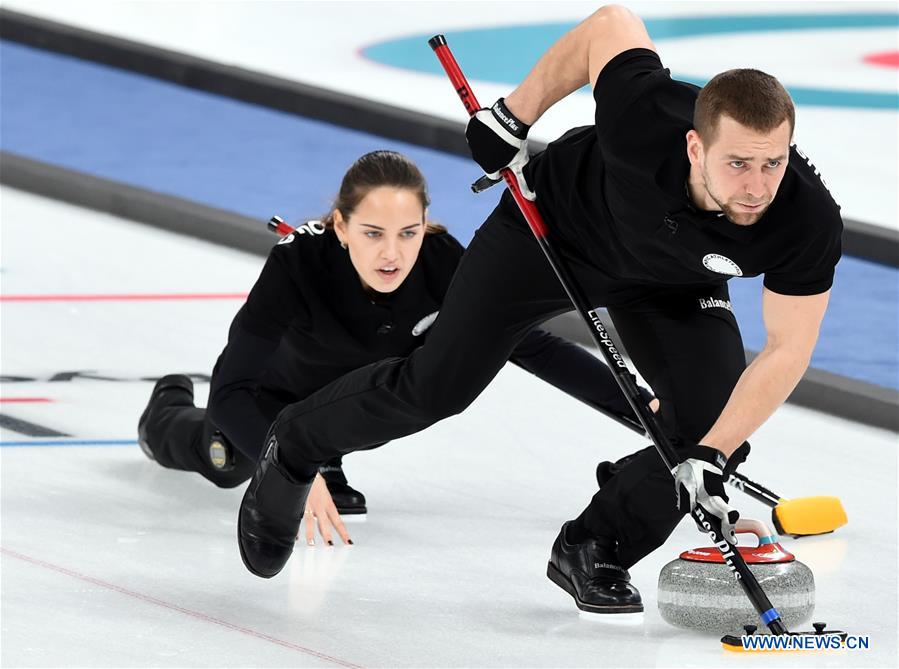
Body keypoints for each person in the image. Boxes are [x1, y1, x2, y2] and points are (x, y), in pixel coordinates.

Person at [237, 5, 840, 613]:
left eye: (773, 162)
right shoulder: (645, 118)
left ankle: (594, 545)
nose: (758, 187)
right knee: (436, 388)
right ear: (694, 146)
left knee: (714, 420)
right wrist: (513, 114)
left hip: (669, 282)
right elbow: (611, 24)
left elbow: (788, 347)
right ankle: (295, 444)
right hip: (553, 233)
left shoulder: (804, 219)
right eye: (737, 164)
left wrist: (711, 454)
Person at [139, 149, 654, 546]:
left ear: (426, 223)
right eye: (372, 233)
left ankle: (327, 455)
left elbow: (532, 347)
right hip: (268, 405)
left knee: (398, 391)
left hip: (354, 408)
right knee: (226, 462)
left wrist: (643, 408)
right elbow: (232, 394)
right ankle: (165, 410)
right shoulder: (297, 264)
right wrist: (282, 469)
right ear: (340, 226)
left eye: (408, 232)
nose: (392, 253)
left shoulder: (444, 265)